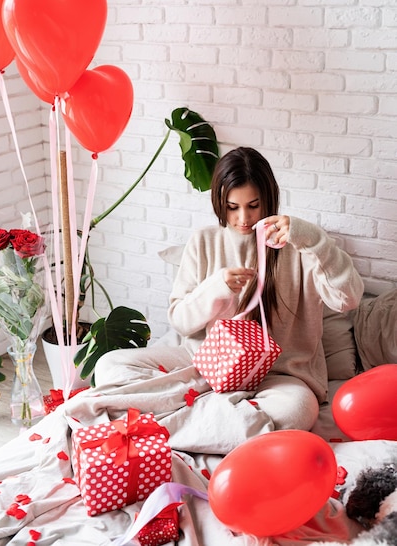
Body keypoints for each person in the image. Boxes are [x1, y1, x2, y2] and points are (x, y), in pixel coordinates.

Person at [94, 146, 364, 454]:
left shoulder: (297, 245)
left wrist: (312, 239)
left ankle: (167, 427)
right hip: (205, 367)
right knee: (109, 366)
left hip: (279, 375)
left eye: (253, 205)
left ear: (269, 200)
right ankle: (216, 423)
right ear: (219, 203)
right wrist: (217, 287)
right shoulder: (204, 241)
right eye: (232, 207)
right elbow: (180, 319)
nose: (243, 218)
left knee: (297, 411)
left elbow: (349, 298)